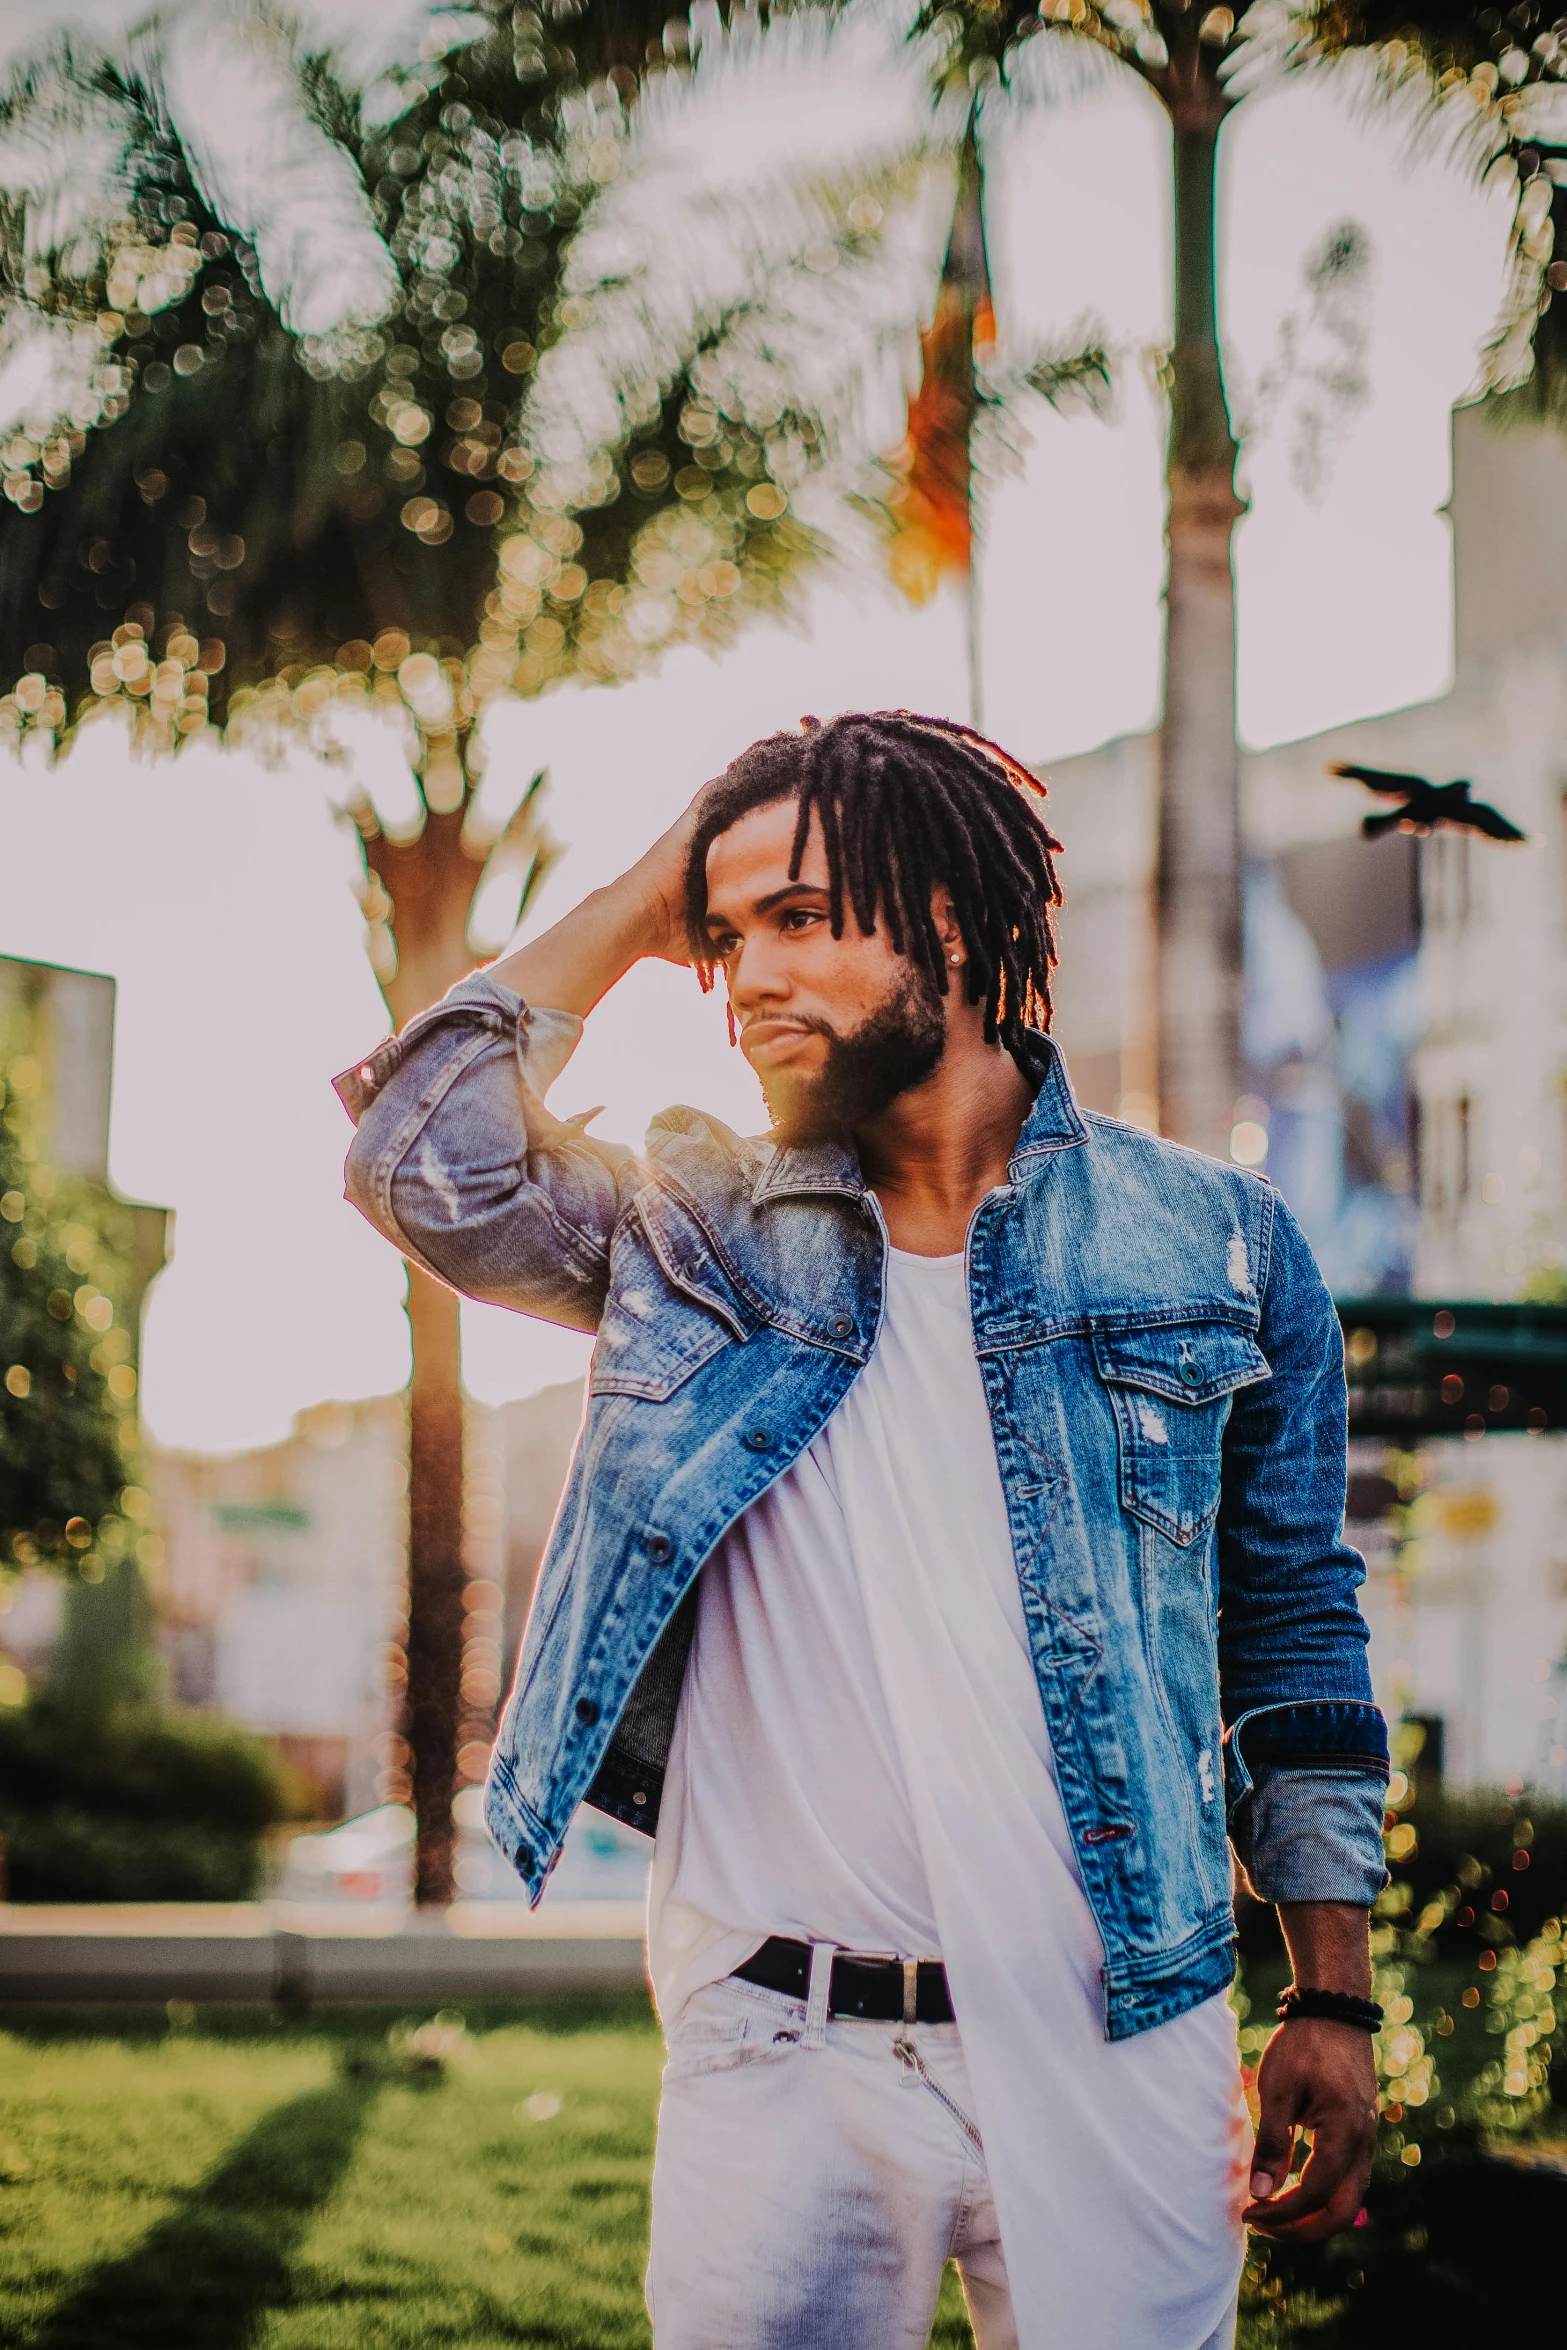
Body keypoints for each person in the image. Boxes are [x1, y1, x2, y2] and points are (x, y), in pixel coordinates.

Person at [337, 710, 1388, 2350]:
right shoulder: (691, 1231)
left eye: (803, 916)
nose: (746, 972)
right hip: (787, 2052)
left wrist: (1329, 1985)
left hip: (1128, 2022)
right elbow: (425, 1161)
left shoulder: (1222, 1243)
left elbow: (1296, 1627)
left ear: (952, 922)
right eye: (726, 928)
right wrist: (644, 885)